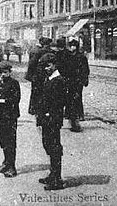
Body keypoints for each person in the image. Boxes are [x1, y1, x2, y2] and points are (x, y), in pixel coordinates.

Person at [37, 53, 67, 190]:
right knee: (48, 144)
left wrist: (49, 114)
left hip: (53, 119)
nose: (46, 68)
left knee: (54, 147)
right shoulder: (49, 79)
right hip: (46, 118)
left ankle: (57, 178)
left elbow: (59, 102)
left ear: (54, 65)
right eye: (44, 66)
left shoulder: (58, 80)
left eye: (48, 66)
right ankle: (53, 173)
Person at [0, 61, 21, 178]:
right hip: (0, 116)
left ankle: (12, 166)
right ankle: (6, 163)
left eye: (5, 72)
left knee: (11, 141)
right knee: (2, 140)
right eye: (1, 73)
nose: (3, 75)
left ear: (10, 72)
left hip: (10, 116)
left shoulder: (14, 83)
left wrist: (1, 101)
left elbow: (15, 99)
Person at [63, 39, 90, 131]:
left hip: (78, 81)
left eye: (74, 46)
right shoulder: (67, 56)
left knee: (77, 97)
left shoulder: (81, 57)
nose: (73, 47)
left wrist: (84, 80)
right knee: (69, 98)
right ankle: (70, 115)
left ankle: (78, 116)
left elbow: (86, 70)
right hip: (69, 80)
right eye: (71, 46)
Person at [25, 37, 51, 116]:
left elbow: (30, 64)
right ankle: (35, 109)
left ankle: (32, 109)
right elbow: (32, 63)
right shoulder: (39, 51)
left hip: (35, 75)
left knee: (35, 92)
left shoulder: (34, 49)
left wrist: (29, 75)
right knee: (38, 92)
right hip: (38, 75)